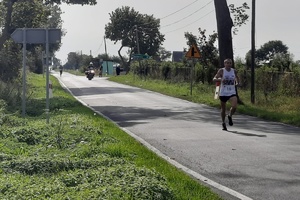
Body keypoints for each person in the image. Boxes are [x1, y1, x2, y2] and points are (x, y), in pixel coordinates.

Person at [213, 58, 240, 131]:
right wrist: (220, 79)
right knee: (223, 109)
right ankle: (223, 123)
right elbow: (214, 78)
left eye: (230, 63)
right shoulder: (221, 70)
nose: (228, 64)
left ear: (231, 64)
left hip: (232, 92)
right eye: (227, 63)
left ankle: (230, 115)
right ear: (224, 64)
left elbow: (237, 78)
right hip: (223, 92)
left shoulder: (234, 71)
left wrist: (237, 83)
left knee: (234, 106)